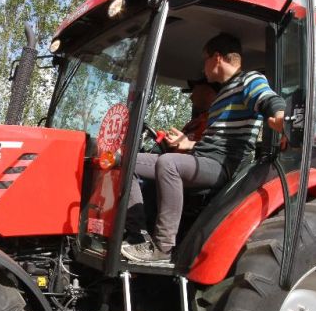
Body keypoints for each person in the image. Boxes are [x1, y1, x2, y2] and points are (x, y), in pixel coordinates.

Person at [122, 32, 286, 263]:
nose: (204, 68)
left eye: (204, 60)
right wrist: (186, 143)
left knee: (169, 164)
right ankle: (138, 235)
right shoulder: (221, 97)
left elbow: (267, 98)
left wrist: (279, 116)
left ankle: (163, 247)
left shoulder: (248, 80)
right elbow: (213, 140)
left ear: (216, 58)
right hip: (205, 157)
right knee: (128, 161)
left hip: (223, 165)